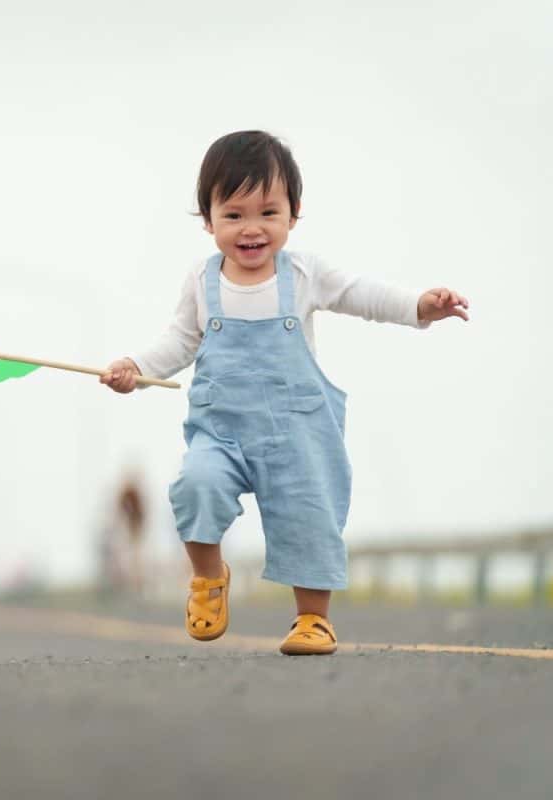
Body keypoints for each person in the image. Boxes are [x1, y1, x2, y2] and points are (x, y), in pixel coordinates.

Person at [100, 131, 469, 655]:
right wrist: (135, 367)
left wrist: (418, 306)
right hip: (221, 431)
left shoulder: (303, 274)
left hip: (296, 430)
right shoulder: (202, 282)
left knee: (308, 517)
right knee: (195, 485)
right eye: (233, 215)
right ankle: (208, 578)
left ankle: (312, 620)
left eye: (267, 213)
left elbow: (361, 294)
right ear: (208, 220)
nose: (251, 229)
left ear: (293, 215)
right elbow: (180, 340)